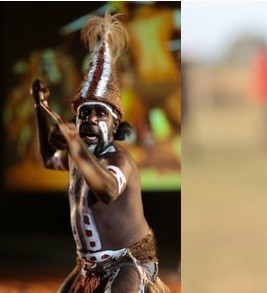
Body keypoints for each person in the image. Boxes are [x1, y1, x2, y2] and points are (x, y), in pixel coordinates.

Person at [31, 12, 168, 292]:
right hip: (88, 266)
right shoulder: (75, 154)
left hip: (128, 261)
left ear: (115, 123)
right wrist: (38, 108)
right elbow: (48, 158)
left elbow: (106, 190)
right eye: (84, 114)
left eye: (100, 114)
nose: (90, 120)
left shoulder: (120, 160)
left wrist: (74, 146)